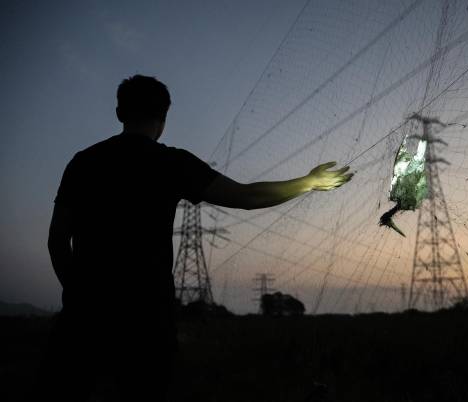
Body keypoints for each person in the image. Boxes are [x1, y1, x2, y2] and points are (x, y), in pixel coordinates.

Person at [39, 74, 353, 401]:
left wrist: (79, 296)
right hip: (148, 324)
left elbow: (57, 240)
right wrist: (307, 182)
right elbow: (248, 197)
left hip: (80, 323)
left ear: (120, 113)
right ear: (163, 118)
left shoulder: (83, 162)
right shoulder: (171, 162)